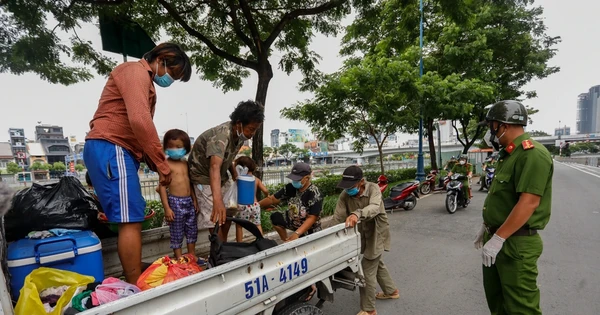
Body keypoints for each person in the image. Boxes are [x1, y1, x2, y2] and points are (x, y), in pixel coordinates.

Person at [84, 43, 192, 283]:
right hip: (113, 147)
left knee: (131, 215)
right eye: (172, 74)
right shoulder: (134, 72)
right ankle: (134, 282)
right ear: (161, 59)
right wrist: (162, 164)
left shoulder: (144, 80)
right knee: (130, 220)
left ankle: (134, 270)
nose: (170, 80)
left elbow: (139, 132)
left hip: (117, 150)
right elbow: (140, 122)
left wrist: (155, 163)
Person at [473, 100, 553, 315]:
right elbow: (503, 198)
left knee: (521, 309)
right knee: (497, 303)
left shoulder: (532, 154)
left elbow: (529, 202)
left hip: (515, 243)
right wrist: (487, 226)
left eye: (491, 126)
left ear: (503, 126)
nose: (489, 132)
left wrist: (499, 238)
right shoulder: (508, 154)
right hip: (498, 238)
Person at [188, 100, 265, 241]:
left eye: (255, 130)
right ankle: (220, 249)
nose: (252, 134)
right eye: (251, 129)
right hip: (202, 176)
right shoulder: (221, 136)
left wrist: (234, 174)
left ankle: (223, 244)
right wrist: (217, 201)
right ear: (239, 123)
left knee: (230, 208)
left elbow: (227, 158)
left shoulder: (240, 137)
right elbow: (214, 166)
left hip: (220, 175)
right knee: (215, 213)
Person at [332, 165, 399, 315]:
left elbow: (375, 207)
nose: (348, 190)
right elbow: (337, 217)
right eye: (346, 187)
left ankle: (369, 310)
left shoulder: (373, 189)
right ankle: (391, 290)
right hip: (362, 233)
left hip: (377, 233)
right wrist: (327, 236)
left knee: (367, 269)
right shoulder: (345, 195)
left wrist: (357, 214)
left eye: (352, 186)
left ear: (361, 182)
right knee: (377, 263)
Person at [157, 129, 198, 259]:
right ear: (165, 147)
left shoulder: (186, 163)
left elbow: (189, 183)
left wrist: (194, 200)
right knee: (177, 231)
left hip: (189, 201)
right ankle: (179, 258)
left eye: (179, 147)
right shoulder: (166, 165)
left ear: (185, 148)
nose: (175, 149)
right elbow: (162, 187)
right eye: (171, 146)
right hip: (175, 202)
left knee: (192, 229)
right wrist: (167, 208)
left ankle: (191, 256)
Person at [259, 162, 323, 242]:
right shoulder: (290, 188)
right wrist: (256, 205)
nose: (294, 181)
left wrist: (297, 233)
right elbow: (272, 199)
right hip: (294, 221)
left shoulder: (314, 193)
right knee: (275, 217)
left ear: (306, 178)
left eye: (297, 179)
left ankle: (301, 235)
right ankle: (286, 240)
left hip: (310, 227)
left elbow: (312, 218)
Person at [233, 156, 269, 242]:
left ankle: (240, 244)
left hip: (242, 206)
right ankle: (262, 241)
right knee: (257, 224)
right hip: (255, 205)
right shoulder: (256, 179)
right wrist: (267, 196)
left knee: (239, 225)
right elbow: (265, 190)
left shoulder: (238, 180)